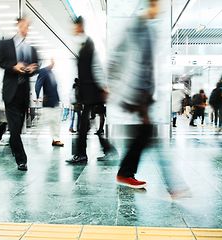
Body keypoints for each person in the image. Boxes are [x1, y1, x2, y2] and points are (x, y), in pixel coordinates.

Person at [108, 0, 159, 188]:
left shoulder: (149, 30)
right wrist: (111, 83)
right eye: (156, 5)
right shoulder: (136, 27)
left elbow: (148, 65)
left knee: (145, 133)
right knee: (146, 132)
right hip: (135, 90)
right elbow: (118, 54)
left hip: (143, 91)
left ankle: (125, 173)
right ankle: (125, 173)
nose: (158, 10)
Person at [66, 16, 117, 164]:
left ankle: (83, 154)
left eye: (76, 27)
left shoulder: (88, 44)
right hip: (88, 92)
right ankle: (107, 150)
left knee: (84, 125)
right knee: (86, 124)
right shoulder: (82, 45)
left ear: (81, 26)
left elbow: (96, 67)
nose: (74, 30)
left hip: (92, 91)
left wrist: (103, 86)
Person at [0, 17, 38, 171]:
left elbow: (36, 67)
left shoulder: (30, 48)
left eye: (28, 27)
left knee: (18, 128)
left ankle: (14, 145)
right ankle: (22, 160)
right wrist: (14, 66)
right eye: (24, 25)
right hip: (11, 92)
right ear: (18, 25)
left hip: (24, 93)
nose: (26, 29)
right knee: (14, 128)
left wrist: (34, 69)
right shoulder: (5, 44)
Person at [36, 59, 64, 147]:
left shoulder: (51, 73)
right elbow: (38, 84)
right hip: (48, 102)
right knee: (44, 121)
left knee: (55, 122)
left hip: (55, 101)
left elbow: (54, 87)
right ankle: (35, 133)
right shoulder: (44, 71)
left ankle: (55, 140)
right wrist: (38, 96)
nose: (53, 63)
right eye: (52, 61)